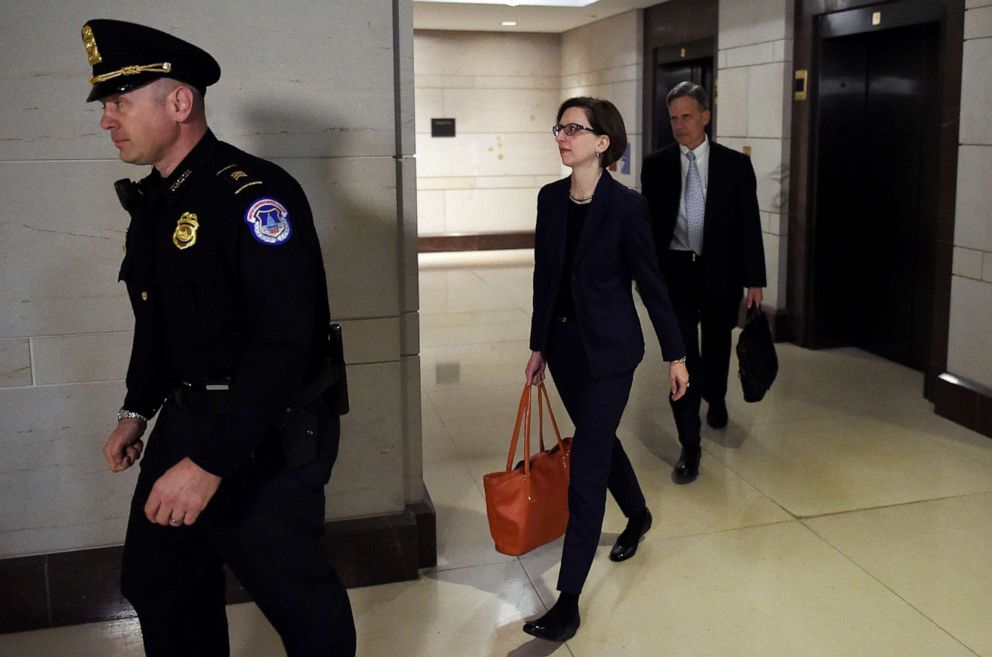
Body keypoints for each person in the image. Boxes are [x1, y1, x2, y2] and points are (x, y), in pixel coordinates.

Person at [81, 19, 356, 657]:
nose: (107, 120)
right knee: (159, 584)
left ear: (178, 103)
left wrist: (209, 464)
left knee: (299, 600)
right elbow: (157, 320)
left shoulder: (256, 196)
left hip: (266, 430)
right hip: (185, 419)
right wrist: (136, 407)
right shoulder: (157, 200)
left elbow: (288, 343)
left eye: (120, 102)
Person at [522, 97, 689, 642]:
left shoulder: (627, 207)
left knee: (588, 463)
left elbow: (651, 282)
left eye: (575, 128)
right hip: (567, 353)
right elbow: (545, 277)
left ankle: (567, 602)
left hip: (612, 354)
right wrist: (538, 345)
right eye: (560, 127)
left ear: (603, 142)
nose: (562, 136)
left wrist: (676, 353)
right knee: (599, 438)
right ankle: (637, 514)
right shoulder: (550, 200)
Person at [641, 81, 767, 485]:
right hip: (674, 273)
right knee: (680, 357)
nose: (679, 124)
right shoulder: (656, 164)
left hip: (719, 272)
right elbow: (649, 226)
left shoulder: (734, 165)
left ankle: (717, 396)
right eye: (673, 117)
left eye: (687, 116)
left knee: (716, 345)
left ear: (706, 117)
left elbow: (750, 224)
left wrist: (755, 281)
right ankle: (689, 446)